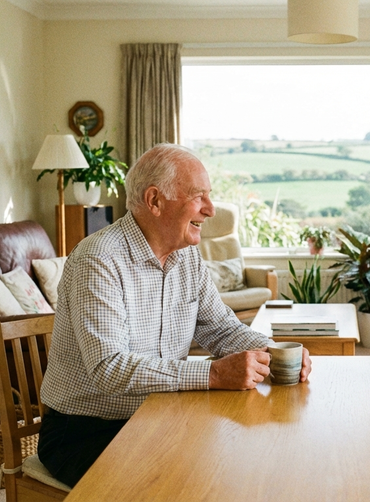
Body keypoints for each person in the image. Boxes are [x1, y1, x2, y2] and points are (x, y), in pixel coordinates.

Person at [39, 143, 311, 487]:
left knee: (246, 461)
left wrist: (274, 350)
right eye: (199, 196)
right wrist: (212, 374)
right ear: (155, 201)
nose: (211, 209)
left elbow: (222, 330)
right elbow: (109, 369)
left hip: (160, 413)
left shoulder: (186, 257)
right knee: (184, 483)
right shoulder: (99, 260)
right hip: (86, 429)